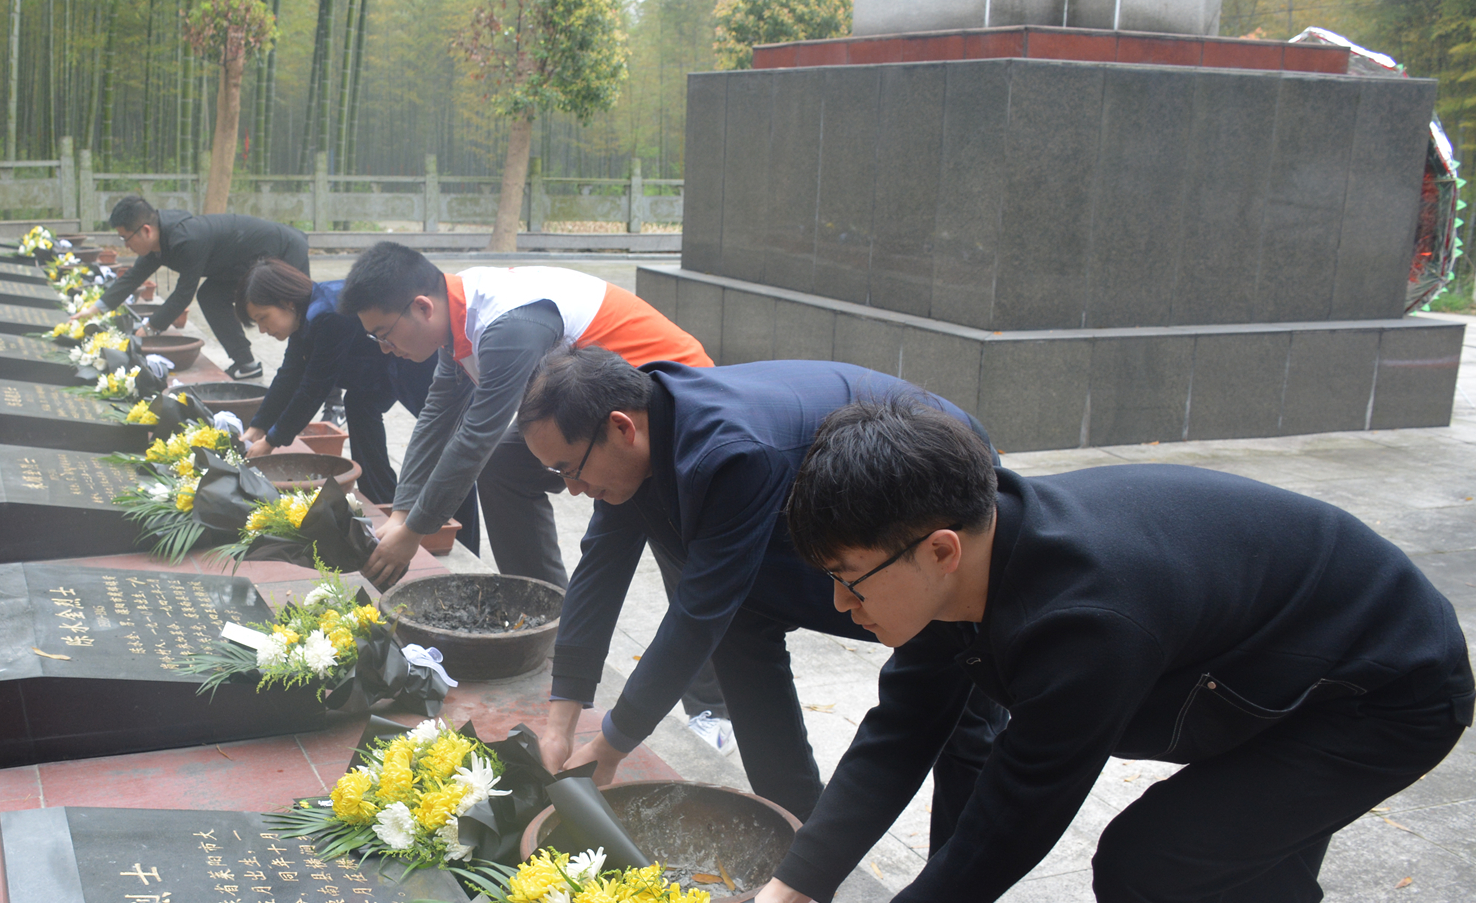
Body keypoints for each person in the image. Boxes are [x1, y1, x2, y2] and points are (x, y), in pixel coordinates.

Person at [744, 396, 1473, 903]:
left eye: (850, 580)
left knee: (1153, 865)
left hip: (1381, 692)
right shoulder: (968, 565)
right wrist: (788, 890)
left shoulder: (1084, 618)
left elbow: (1003, 832)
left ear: (941, 548)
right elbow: (898, 735)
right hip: (1287, 661)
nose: (838, 605)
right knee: (1246, 888)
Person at [518, 347, 1008, 857]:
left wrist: (610, 745)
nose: (573, 490)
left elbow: (696, 613)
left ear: (622, 428)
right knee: (739, 638)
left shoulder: (728, 451)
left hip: (924, 483)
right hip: (807, 501)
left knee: (959, 692)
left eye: (569, 469)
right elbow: (600, 569)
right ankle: (797, 832)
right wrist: (561, 723)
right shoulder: (636, 439)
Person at [337, 241, 711, 591]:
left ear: (422, 307)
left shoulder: (507, 324)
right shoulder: (459, 312)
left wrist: (415, 531)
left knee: (678, 555)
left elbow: (475, 437)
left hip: (673, 403)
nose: (385, 349)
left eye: (384, 334)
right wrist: (401, 514)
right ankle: (544, 603)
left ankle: (707, 641)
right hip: (599, 409)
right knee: (505, 462)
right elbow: (438, 415)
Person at [232, 257, 425, 507]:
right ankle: (383, 501)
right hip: (381, 370)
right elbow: (288, 375)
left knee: (444, 438)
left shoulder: (327, 315)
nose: (262, 329)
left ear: (286, 302)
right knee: (360, 404)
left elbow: (313, 388)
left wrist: (271, 441)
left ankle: (454, 526)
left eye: (262, 318)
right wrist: (258, 426)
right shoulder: (305, 316)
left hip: (414, 359)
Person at [89, 196, 310, 381]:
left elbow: (183, 295)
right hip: (242, 263)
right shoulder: (161, 242)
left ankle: (331, 399)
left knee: (305, 318)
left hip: (285, 251)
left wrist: (147, 331)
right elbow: (131, 279)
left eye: (125, 238)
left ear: (145, 230)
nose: (126, 246)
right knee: (211, 296)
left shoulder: (186, 239)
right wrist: (91, 311)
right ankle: (247, 364)